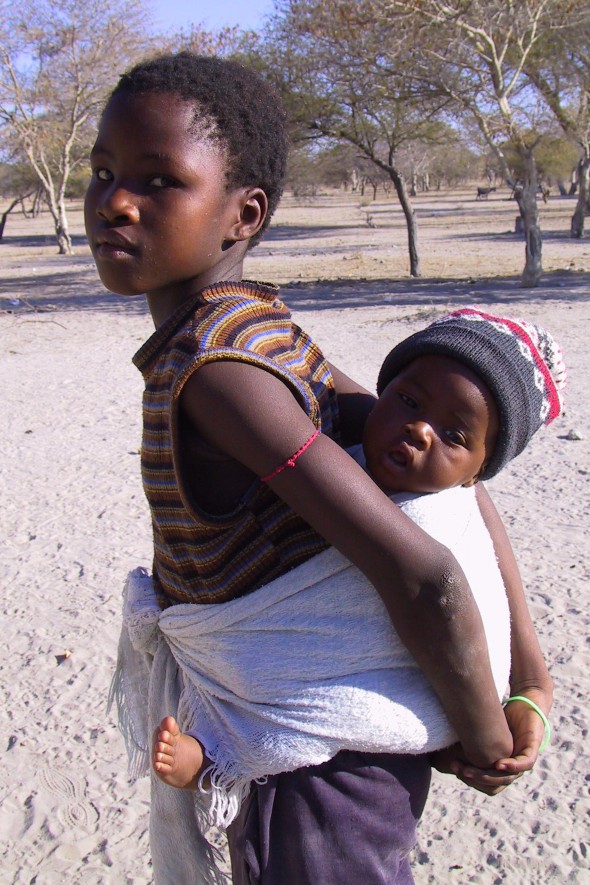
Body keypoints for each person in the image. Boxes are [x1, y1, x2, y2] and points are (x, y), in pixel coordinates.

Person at [86, 51, 550, 885]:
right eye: (104, 172)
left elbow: (426, 575)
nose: (116, 201)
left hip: (319, 771)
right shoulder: (264, 327)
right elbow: (465, 492)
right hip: (335, 760)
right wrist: (531, 676)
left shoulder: (221, 372)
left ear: (244, 214)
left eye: (159, 181)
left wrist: (485, 734)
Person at [148, 308, 562, 823]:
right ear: (380, 395)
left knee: (306, 724)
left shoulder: (449, 520)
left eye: (454, 436)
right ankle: (217, 752)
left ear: (475, 474)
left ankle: (217, 759)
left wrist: (492, 738)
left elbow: (445, 597)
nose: (419, 429)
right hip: (341, 723)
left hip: (357, 767)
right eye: (408, 401)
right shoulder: (340, 461)